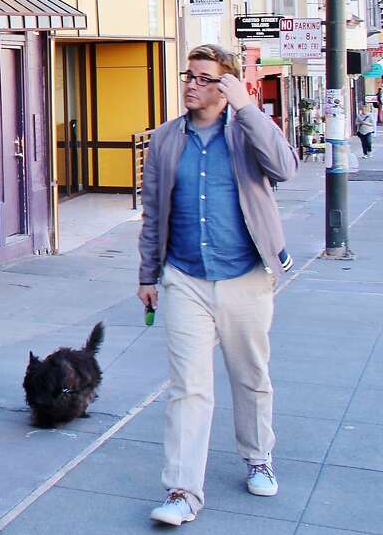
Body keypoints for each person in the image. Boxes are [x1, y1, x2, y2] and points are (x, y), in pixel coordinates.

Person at [137, 44, 298, 526]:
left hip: (245, 277)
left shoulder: (246, 133)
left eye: (205, 78)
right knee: (188, 387)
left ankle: (257, 456)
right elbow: (153, 214)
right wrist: (148, 273)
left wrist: (247, 108)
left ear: (226, 85)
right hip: (185, 277)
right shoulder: (166, 139)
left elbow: (285, 167)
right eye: (189, 75)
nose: (191, 84)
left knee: (250, 376)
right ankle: (183, 491)